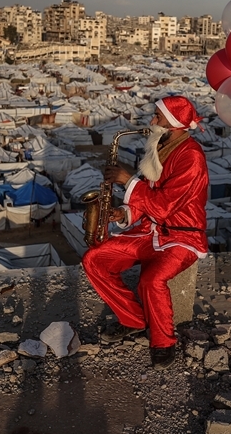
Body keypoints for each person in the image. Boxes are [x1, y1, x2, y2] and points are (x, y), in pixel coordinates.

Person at [82, 96, 208, 370]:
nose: (152, 121)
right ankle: (133, 320)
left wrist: (127, 180)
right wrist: (125, 213)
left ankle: (163, 343)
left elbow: (163, 207)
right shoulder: (161, 147)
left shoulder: (191, 157)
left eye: (158, 117)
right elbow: (149, 196)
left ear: (174, 123)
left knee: (151, 280)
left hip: (180, 238)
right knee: (94, 259)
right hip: (148, 232)